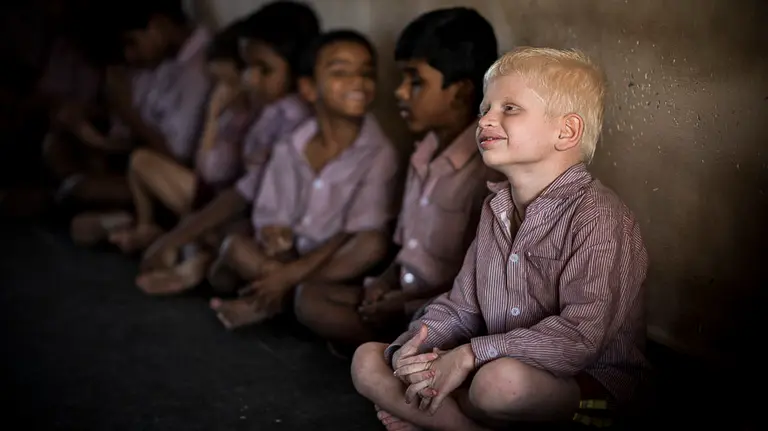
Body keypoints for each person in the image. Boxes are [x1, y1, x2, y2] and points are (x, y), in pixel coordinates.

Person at [351, 47, 650, 431]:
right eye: (485, 108)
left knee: (498, 385)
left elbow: (579, 337)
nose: (485, 119)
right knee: (369, 361)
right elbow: (461, 308)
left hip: (582, 383)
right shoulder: (497, 209)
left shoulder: (600, 217)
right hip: (488, 365)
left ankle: (448, 415)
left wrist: (469, 357)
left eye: (509, 108)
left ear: (566, 131)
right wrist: (412, 349)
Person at [293, 8, 499, 351]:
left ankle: (398, 351)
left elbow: (473, 283)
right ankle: (394, 350)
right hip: (400, 296)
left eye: (415, 81)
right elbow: (406, 247)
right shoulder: (422, 155)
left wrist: (401, 303)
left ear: (461, 92)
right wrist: (385, 282)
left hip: (442, 310)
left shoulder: (485, 171)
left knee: (424, 329)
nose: (400, 92)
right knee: (309, 297)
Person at [200, 29, 399, 329]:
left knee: (371, 244)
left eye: (366, 73)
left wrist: (289, 275)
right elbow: (271, 212)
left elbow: (358, 231)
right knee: (233, 246)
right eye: (340, 73)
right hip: (286, 257)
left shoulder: (380, 152)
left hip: (333, 265)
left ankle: (270, 298)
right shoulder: (290, 146)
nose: (358, 82)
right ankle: (278, 296)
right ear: (308, 88)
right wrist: (273, 233)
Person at [132, 1, 322, 296]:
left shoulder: (295, 121)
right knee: (212, 240)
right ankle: (193, 257)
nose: (250, 79)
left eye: (264, 69)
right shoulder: (269, 110)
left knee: (224, 250)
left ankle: (195, 261)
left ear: (298, 68)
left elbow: (243, 194)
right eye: (247, 67)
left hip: (279, 231)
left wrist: (173, 239)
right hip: (249, 213)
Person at [105, 20, 256, 254]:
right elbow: (205, 167)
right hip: (206, 188)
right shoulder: (226, 113)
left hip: (226, 202)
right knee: (140, 160)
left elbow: (217, 174)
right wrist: (213, 117)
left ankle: (182, 239)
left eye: (228, 82)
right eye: (218, 82)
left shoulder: (253, 118)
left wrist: (213, 118)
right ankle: (147, 226)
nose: (221, 90)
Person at [69, 0, 212, 243]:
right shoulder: (164, 61)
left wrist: (128, 113)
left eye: (132, 43)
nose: (129, 55)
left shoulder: (198, 70)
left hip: (172, 178)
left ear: (159, 26)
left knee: (80, 190)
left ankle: (141, 223)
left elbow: (175, 158)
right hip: (138, 165)